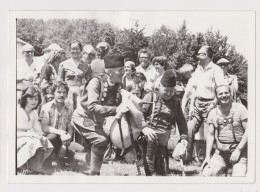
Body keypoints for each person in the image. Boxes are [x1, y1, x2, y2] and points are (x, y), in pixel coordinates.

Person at [72, 53, 125, 175]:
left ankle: (79, 158)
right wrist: (115, 110)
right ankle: (94, 173)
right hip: (83, 117)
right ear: (110, 72)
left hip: (98, 120)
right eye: (120, 70)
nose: (123, 73)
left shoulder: (118, 84)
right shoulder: (96, 82)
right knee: (101, 140)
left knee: (102, 143)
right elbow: (92, 106)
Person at [141, 69, 188, 176]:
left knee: (162, 172)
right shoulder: (151, 97)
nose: (168, 93)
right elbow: (139, 114)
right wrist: (144, 127)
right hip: (147, 140)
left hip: (163, 141)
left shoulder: (175, 102)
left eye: (172, 91)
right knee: (149, 169)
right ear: (159, 87)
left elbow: (181, 121)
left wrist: (184, 138)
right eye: (166, 90)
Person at [185, 45, 225, 162]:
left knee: (210, 133)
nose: (197, 56)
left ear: (206, 56)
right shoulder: (198, 70)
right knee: (189, 129)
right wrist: (192, 106)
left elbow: (221, 90)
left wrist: (213, 105)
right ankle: (187, 158)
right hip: (197, 104)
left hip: (211, 104)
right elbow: (194, 90)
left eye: (200, 54)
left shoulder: (216, 70)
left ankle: (211, 160)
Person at [201, 85, 247, 176]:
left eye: (226, 92)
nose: (224, 95)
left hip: (240, 152)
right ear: (216, 97)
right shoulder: (213, 112)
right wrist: (207, 156)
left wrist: (238, 150)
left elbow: (249, 130)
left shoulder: (240, 108)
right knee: (206, 174)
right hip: (220, 153)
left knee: (238, 178)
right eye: (220, 93)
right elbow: (210, 135)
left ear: (231, 94)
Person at [40, 81, 84, 168]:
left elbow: (70, 129)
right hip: (48, 140)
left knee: (80, 152)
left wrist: (64, 145)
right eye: (59, 92)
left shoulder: (69, 108)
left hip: (64, 140)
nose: (61, 95)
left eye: (64, 92)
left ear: (67, 94)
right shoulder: (46, 107)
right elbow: (44, 127)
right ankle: (46, 162)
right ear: (53, 93)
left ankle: (62, 158)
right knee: (53, 136)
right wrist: (60, 132)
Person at [17, 86, 53, 174]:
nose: (34, 101)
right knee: (30, 142)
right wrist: (28, 135)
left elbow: (38, 131)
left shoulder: (34, 113)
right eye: (31, 98)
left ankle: (33, 166)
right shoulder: (17, 110)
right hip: (15, 139)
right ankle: (21, 165)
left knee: (45, 141)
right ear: (25, 98)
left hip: (27, 137)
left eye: (36, 99)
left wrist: (41, 138)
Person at [58, 40, 90, 109]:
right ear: (70, 50)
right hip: (67, 94)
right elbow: (59, 81)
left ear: (81, 50)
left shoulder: (86, 65)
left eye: (77, 49)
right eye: (73, 49)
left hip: (81, 94)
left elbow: (89, 81)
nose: (75, 51)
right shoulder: (63, 64)